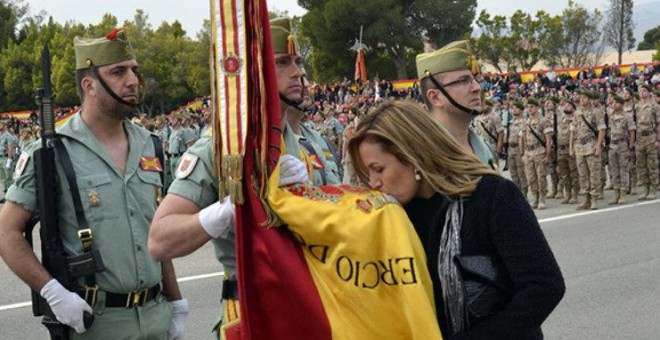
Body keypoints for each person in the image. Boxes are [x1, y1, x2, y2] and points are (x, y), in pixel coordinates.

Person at [147, 16, 341, 338]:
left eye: (298, 61)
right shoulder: (222, 147)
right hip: (255, 310)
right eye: (282, 62)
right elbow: (160, 238)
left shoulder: (310, 139)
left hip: (317, 304)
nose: (299, 73)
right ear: (257, 71)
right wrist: (226, 210)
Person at [0, 28, 187, 339]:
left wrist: (177, 301)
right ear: (89, 85)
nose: (132, 81)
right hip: (96, 324)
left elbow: (156, 231)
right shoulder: (52, 149)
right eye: (118, 72)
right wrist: (53, 293)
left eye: (134, 71)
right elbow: (6, 231)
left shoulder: (149, 145)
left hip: (157, 317)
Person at [348, 99, 565, 339]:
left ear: (412, 155)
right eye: (368, 172)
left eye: (378, 169)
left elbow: (544, 287)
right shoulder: (393, 217)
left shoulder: (492, 196)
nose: (373, 183)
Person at [416, 40, 497, 168]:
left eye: (474, 80)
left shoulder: (485, 149)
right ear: (435, 97)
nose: (477, 88)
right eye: (463, 80)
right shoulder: (421, 157)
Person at [570, 90, 606, 210]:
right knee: (583, 174)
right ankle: (586, 199)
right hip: (580, 146)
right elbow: (573, 130)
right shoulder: (577, 113)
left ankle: (594, 198)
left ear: (589, 99)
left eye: (584, 98)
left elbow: (601, 129)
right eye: (581, 98)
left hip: (592, 145)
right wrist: (571, 146)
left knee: (594, 173)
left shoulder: (596, 112)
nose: (582, 100)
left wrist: (599, 145)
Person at [520, 97, 553, 209]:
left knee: (541, 176)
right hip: (529, 152)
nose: (530, 109)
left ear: (537, 107)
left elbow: (548, 139)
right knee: (531, 177)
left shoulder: (544, 121)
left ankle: (542, 198)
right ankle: (535, 197)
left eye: (532, 107)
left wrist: (548, 155)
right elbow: (524, 138)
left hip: (540, 152)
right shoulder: (526, 122)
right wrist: (524, 153)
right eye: (528, 107)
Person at [606, 94, 636, 204]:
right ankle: (616, 193)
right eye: (613, 103)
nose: (614, 105)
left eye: (616, 103)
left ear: (621, 104)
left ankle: (623, 193)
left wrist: (630, 148)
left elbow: (632, 132)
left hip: (623, 145)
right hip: (612, 145)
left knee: (623, 170)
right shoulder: (611, 116)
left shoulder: (627, 116)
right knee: (614, 170)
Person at [634, 84, 659, 200]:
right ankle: (646, 189)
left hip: (651, 137)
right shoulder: (637, 106)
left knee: (652, 164)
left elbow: (659, 124)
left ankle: (653, 189)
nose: (642, 93)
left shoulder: (655, 106)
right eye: (640, 91)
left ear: (649, 93)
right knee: (641, 165)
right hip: (640, 139)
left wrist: (658, 139)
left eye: (644, 91)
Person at [0, 121, 17, 197]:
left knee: (9, 178)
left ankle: (11, 196)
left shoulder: (8, 136)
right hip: (0, 158)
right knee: (3, 178)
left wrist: (9, 160)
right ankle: (6, 195)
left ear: (4, 125)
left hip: (6, 158)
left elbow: (10, 148)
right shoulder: (1, 135)